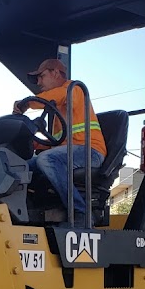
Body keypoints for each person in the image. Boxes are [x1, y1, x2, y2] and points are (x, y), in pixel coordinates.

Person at [12, 58, 105, 218]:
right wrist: (35, 144)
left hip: (90, 153)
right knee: (18, 167)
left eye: (41, 76)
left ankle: (80, 213)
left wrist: (27, 103)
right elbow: (57, 141)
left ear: (55, 73)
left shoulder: (74, 89)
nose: (39, 82)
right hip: (67, 153)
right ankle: (30, 211)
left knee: (47, 160)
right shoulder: (57, 112)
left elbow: (57, 96)